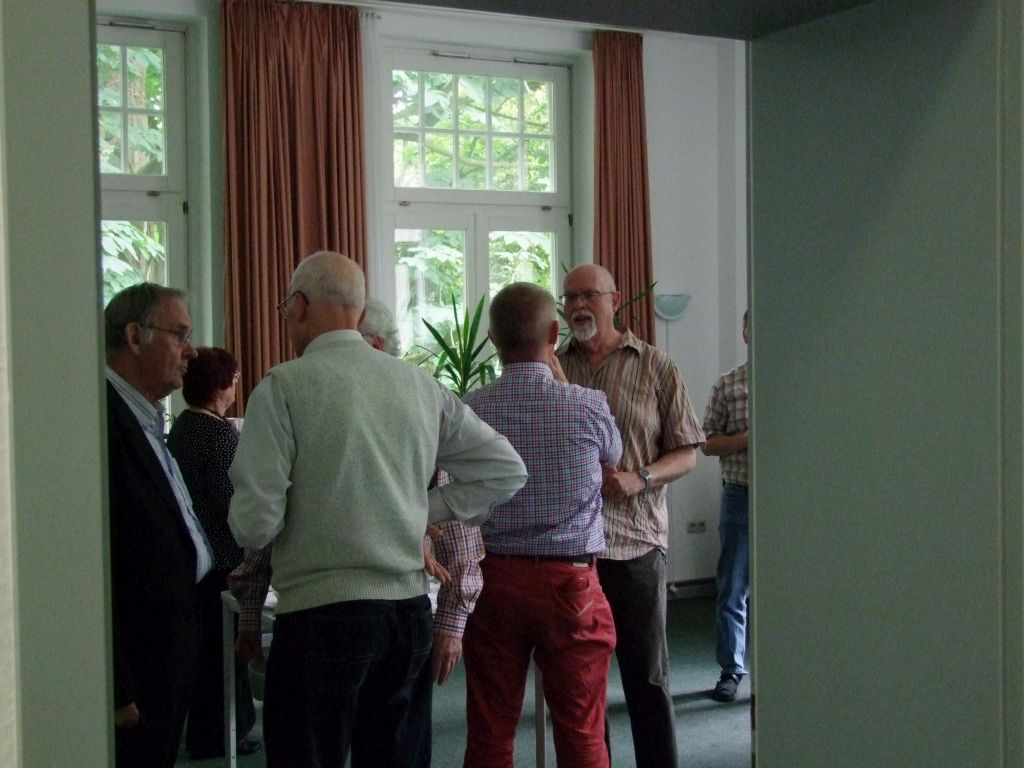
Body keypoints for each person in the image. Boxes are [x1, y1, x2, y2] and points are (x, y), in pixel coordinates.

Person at [227, 251, 527, 768]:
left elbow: (256, 524)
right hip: (407, 615)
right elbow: (506, 469)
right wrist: (417, 507)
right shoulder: (421, 386)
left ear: (298, 306)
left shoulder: (283, 387)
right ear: (361, 314)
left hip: (318, 617)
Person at [230, 298, 485, 689]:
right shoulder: (309, 400)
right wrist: (250, 608)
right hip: (323, 609)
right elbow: (271, 510)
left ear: (376, 345)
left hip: (388, 611)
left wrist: (451, 624)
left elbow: (460, 532)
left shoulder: (418, 404)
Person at [460, 283, 621, 767]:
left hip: (494, 582)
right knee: (582, 734)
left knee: (489, 732)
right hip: (571, 585)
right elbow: (614, 458)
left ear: (492, 339)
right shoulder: (588, 405)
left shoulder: (471, 409)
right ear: (554, 333)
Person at [557, 264, 705, 768]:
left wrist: (639, 478)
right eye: (570, 297)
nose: (578, 305)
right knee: (584, 685)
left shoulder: (657, 366)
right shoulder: (554, 367)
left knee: (647, 678)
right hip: (573, 552)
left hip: (636, 547)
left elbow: (688, 452)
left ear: (615, 300)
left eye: (589, 295)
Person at [105, 282, 212, 767]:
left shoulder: (145, 417)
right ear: (135, 336)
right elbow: (90, 566)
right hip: (136, 670)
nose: (192, 351)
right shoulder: (101, 424)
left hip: (166, 656)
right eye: (180, 334)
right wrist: (116, 684)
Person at [166, 347, 260, 757]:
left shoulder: (183, 426)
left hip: (193, 553)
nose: (236, 386)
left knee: (204, 650)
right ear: (221, 385)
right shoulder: (220, 435)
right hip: (222, 555)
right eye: (234, 379)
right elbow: (231, 502)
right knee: (224, 653)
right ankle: (223, 733)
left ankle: (209, 731)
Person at [702, 310, 750, 703]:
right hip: (740, 495)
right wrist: (745, 439)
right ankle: (731, 671)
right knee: (732, 587)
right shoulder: (727, 383)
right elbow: (707, 443)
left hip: (789, 500)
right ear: (745, 333)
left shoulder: (797, 382)